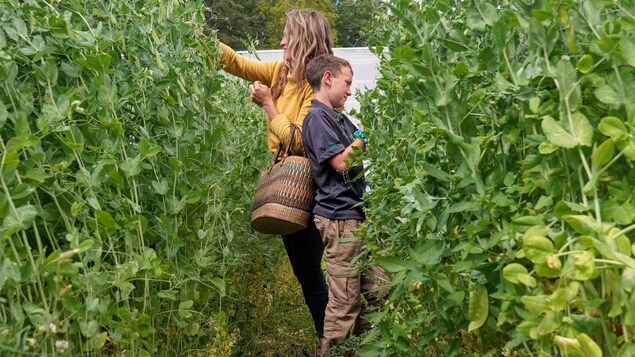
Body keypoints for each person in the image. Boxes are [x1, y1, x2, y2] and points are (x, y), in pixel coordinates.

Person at [215, 9, 333, 355]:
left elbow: (301, 141)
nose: (281, 42)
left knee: (312, 271)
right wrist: (202, 39)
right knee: (306, 271)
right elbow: (237, 64)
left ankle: (333, 343)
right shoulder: (282, 73)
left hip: (312, 187)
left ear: (304, 39)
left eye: (287, 36)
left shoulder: (321, 82)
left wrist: (269, 105)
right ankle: (332, 339)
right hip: (289, 187)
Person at [302, 54, 387, 353]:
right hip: (339, 219)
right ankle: (333, 350)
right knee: (344, 301)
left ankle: (366, 348)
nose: (350, 91)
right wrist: (362, 137)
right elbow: (341, 161)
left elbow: (360, 141)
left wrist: (374, 127)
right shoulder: (316, 118)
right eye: (347, 83)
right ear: (328, 78)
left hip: (356, 215)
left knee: (380, 285)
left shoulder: (338, 117)